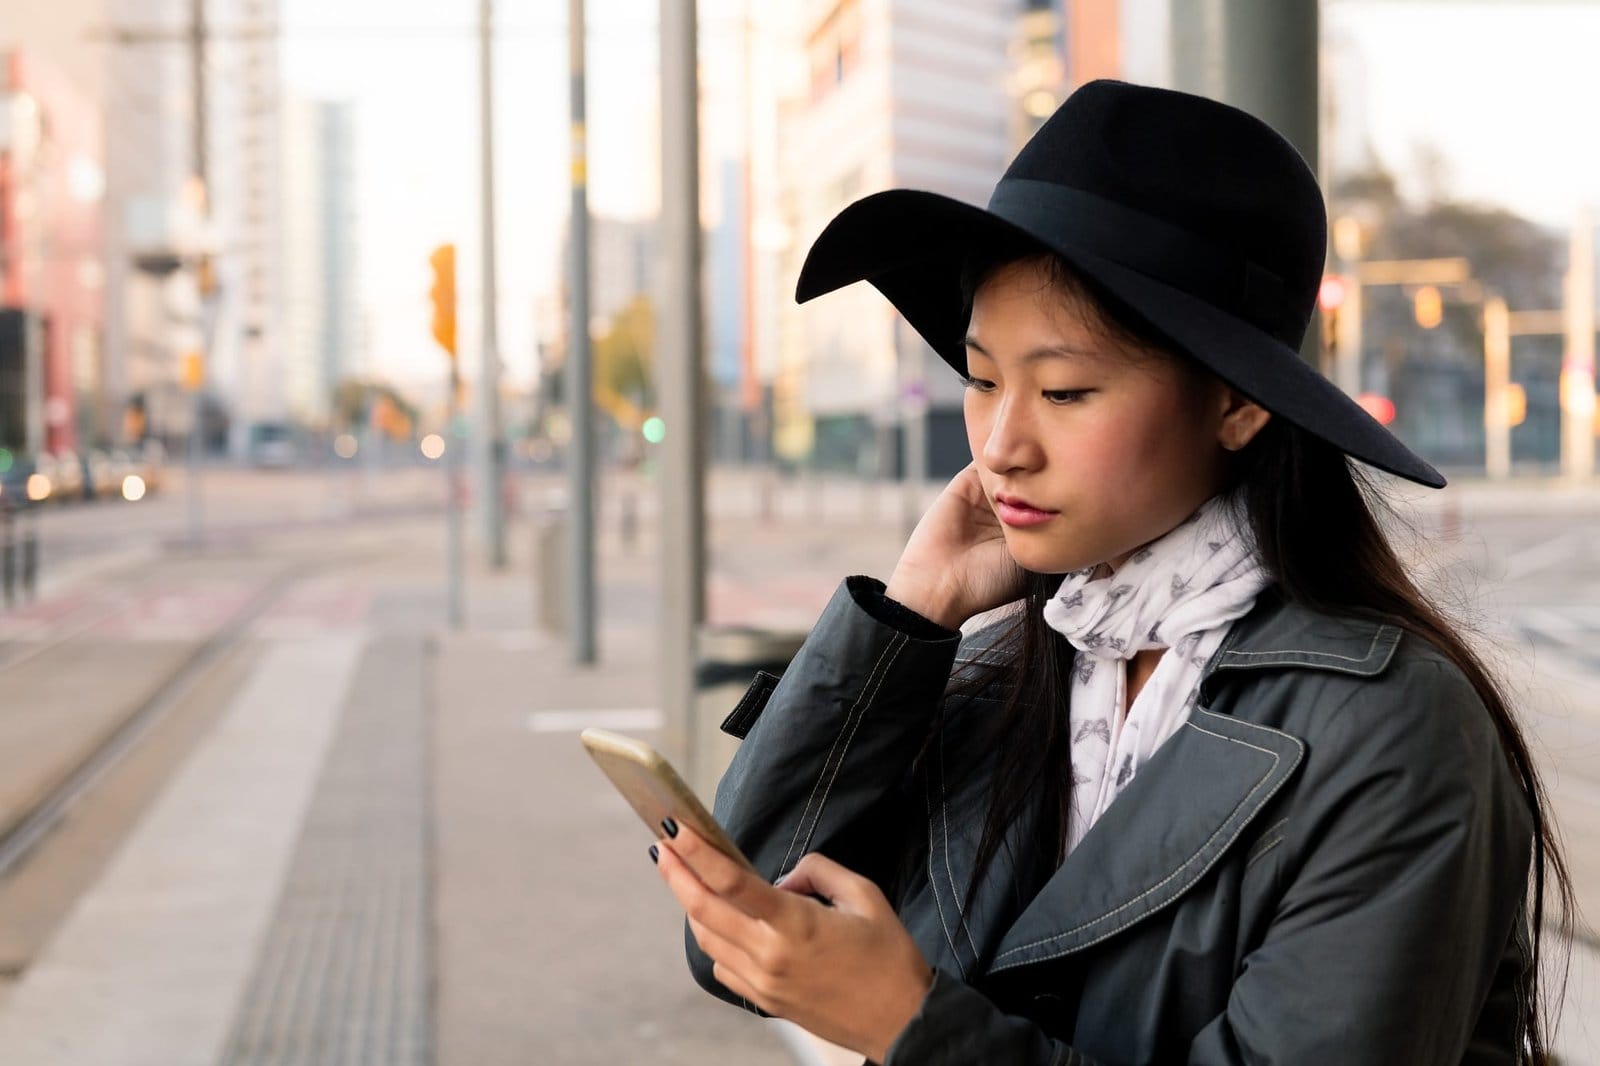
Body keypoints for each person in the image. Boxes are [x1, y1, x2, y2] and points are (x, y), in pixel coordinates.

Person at [648, 80, 1569, 1065]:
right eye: (982, 379)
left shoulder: (1386, 730)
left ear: (1236, 404)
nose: (1001, 444)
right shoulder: (1024, 660)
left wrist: (909, 1025)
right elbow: (737, 934)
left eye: (1063, 390)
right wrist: (909, 616)